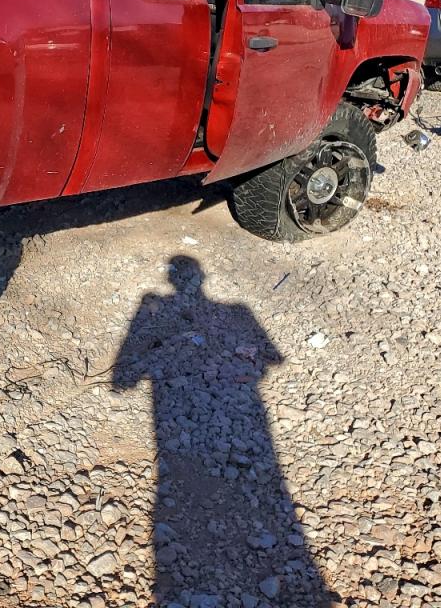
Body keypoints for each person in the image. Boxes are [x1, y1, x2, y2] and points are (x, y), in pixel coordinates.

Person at [112, 255, 332, 606]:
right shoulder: (238, 312)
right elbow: (273, 358)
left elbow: (122, 378)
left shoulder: (158, 306)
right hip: (247, 416)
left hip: (173, 415)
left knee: (174, 487)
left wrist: (127, 376)